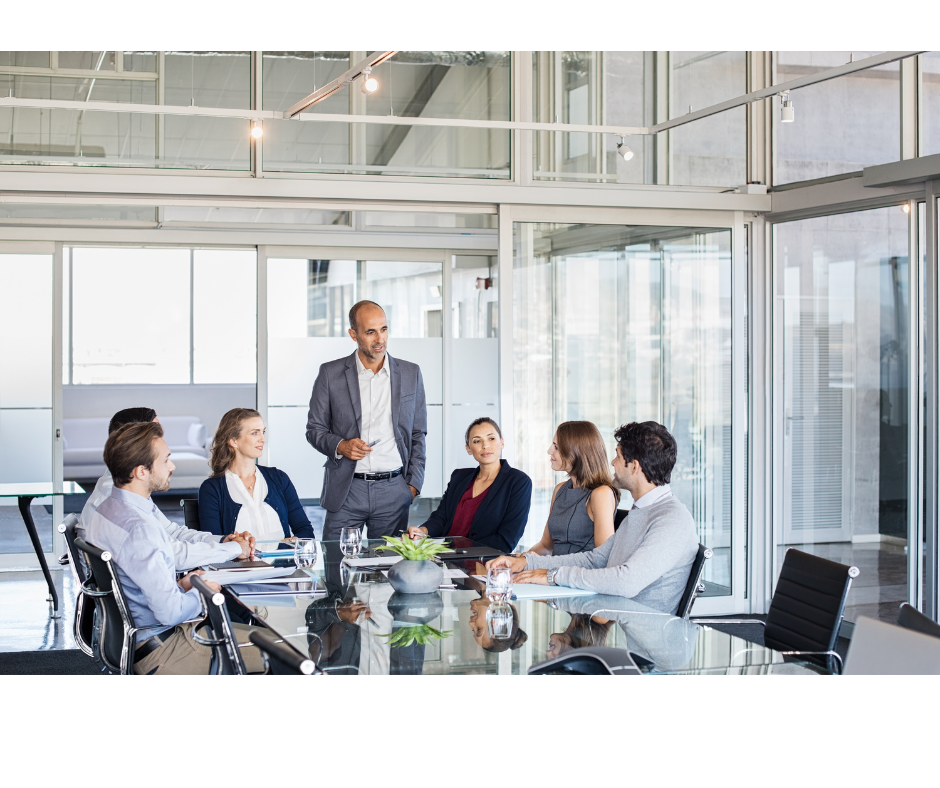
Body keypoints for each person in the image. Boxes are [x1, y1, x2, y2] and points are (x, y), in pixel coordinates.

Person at [84, 421, 262, 675]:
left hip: (137, 641)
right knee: (288, 650)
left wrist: (183, 584)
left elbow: (138, 582)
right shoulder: (140, 528)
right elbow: (170, 612)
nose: (172, 466)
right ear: (141, 471)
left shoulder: (107, 510)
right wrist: (205, 592)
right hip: (166, 650)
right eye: (166, 460)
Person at [487, 421, 698, 614]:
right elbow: (596, 558)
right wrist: (526, 563)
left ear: (634, 466)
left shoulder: (672, 519)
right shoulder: (641, 511)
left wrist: (553, 576)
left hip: (646, 644)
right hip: (621, 622)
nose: (612, 462)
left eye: (618, 456)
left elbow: (627, 581)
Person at [306, 300, 427, 541]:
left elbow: (418, 434)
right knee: (335, 566)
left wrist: (412, 485)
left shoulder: (411, 373)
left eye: (383, 329)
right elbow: (314, 429)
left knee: (387, 571)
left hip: (393, 490)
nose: (379, 339)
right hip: (346, 489)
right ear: (353, 334)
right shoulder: (330, 373)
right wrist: (341, 445)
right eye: (370, 332)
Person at [78, 407, 251, 570]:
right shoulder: (118, 501)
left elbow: (171, 532)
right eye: (155, 434)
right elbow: (171, 554)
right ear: (135, 442)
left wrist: (222, 541)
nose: (162, 441)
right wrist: (232, 549)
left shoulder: (126, 489)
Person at [405, 417, 532, 552]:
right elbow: (441, 517)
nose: (485, 445)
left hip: (481, 563)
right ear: (468, 449)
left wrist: (458, 552)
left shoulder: (518, 482)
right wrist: (422, 531)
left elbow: (506, 539)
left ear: (502, 442)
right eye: (477, 441)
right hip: (442, 558)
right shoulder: (459, 477)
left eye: (491, 438)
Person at [199, 408, 314, 543]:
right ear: (234, 441)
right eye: (255, 433)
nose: (263, 439)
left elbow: (305, 531)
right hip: (240, 564)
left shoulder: (279, 478)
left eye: (263, 432)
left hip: (282, 564)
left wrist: (287, 544)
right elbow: (213, 543)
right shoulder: (212, 488)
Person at [522, 421, 619, 557]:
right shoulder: (560, 489)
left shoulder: (601, 494)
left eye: (556, 447)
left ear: (577, 452)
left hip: (577, 575)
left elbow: (602, 558)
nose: (549, 451)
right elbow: (545, 546)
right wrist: (519, 559)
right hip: (551, 572)